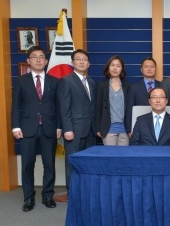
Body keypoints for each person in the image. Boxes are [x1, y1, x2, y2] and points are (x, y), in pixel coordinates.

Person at [11, 46, 60, 212]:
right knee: (27, 165)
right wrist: (15, 126)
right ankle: (28, 198)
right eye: (34, 57)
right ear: (28, 61)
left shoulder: (54, 81)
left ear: (46, 61)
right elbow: (16, 105)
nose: (38, 59)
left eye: (41, 57)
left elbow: (58, 106)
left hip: (49, 128)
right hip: (27, 129)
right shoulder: (20, 81)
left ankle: (47, 196)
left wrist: (59, 126)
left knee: (49, 165)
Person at [59, 49, 96, 192]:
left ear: (89, 64)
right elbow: (64, 108)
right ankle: (72, 192)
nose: (82, 62)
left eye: (84, 59)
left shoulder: (91, 82)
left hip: (90, 130)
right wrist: (67, 129)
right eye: (78, 59)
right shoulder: (66, 81)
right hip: (74, 130)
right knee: (72, 162)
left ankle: (86, 191)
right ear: (72, 62)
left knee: (87, 162)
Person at [96, 55, 130, 145]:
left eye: (118, 66)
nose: (115, 68)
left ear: (122, 68)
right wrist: (98, 128)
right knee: (110, 158)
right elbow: (97, 108)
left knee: (124, 158)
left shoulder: (127, 86)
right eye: (112, 65)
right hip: (108, 130)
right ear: (108, 67)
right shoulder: (101, 86)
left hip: (125, 130)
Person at [125, 57, 161, 134]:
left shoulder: (162, 86)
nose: (149, 69)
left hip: (158, 125)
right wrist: (129, 130)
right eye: (146, 67)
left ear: (155, 69)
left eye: (152, 67)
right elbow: (129, 110)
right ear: (141, 70)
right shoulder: (133, 87)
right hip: (139, 126)